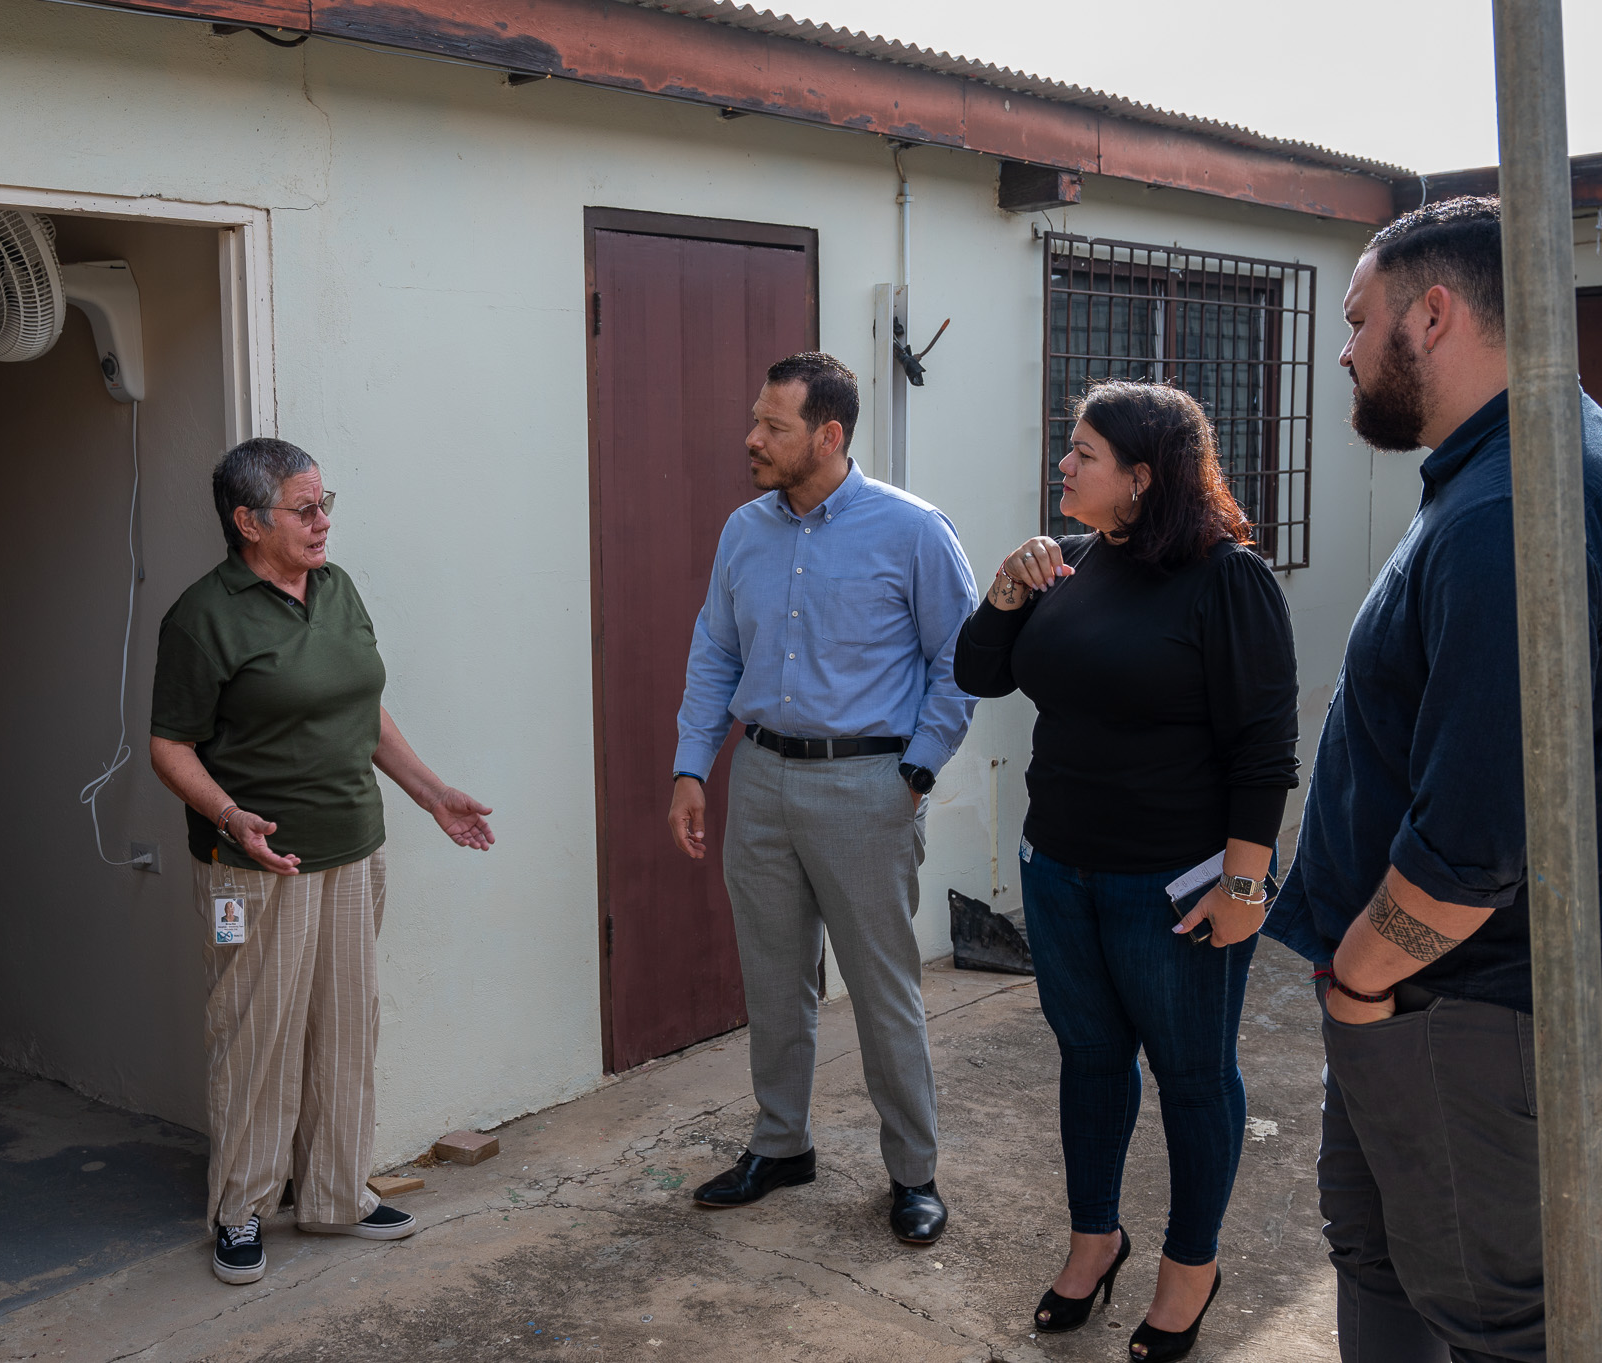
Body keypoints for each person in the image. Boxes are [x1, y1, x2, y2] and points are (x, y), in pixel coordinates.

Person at [1267, 196, 1602, 1363]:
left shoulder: (1507, 509)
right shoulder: (1508, 467)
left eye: (1356, 321)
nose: (1345, 349)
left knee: (1485, 1316)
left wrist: (1357, 983)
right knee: (1383, 1262)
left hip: (1454, 1009)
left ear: (1436, 311)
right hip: (1435, 1004)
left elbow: (1477, 837)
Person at [952, 380, 1298, 1360]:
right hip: (1059, 869)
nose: (1062, 465)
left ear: (1141, 478)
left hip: (1174, 891)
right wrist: (1005, 589)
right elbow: (978, 673)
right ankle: (1093, 1238)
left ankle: (1188, 1269)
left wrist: (1242, 887)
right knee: (1090, 1061)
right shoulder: (1062, 564)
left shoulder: (1225, 580)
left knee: (1191, 1079)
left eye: (1082, 452)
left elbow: (1263, 748)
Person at [148, 436, 495, 1287]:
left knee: (346, 1025)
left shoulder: (335, 589)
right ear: (248, 521)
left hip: (351, 846)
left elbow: (365, 708)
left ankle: (336, 1194)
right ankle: (241, 1209)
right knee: (256, 1035)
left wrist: (431, 792)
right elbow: (169, 745)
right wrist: (228, 813)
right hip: (258, 864)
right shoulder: (204, 616)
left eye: (324, 502)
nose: (323, 521)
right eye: (304, 509)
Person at [666, 351, 979, 1246]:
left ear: (829, 434)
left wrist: (916, 770)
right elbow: (715, 652)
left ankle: (913, 1173)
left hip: (866, 785)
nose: (752, 438)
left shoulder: (913, 531)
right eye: (756, 420)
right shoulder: (744, 531)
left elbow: (960, 661)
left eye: (773, 425)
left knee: (883, 991)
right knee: (772, 978)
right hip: (760, 779)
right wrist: (694, 765)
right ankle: (781, 1143)